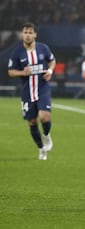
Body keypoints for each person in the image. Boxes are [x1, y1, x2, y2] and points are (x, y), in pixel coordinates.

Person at [8, 22, 56, 160]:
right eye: (25, 32)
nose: (28, 35)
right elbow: (11, 72)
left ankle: (46, 136)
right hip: (27, 91)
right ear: (22, 35)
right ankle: (41, 149)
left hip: (42, 87)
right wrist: (23, 73)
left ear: (35, 34)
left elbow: (52, 61)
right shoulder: (17, 52)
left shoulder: (43, 48)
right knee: (32, 122)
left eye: (30, 32)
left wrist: (51, 71)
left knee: (44, 116)